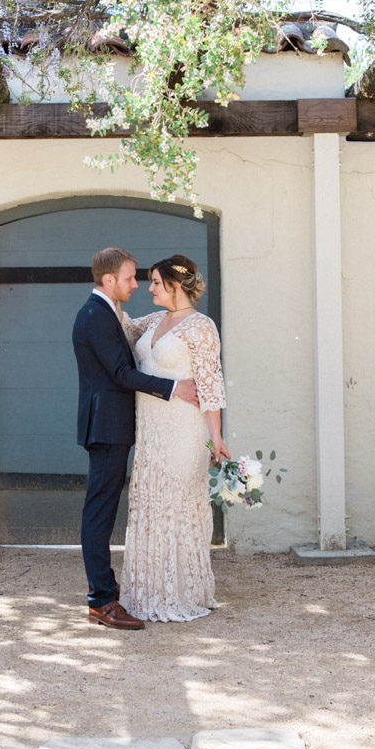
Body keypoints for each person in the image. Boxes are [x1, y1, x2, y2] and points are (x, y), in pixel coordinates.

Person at [72, 247, 199, 631]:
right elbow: (121, 374)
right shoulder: (95, 316)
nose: (136, 283)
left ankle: (104, 597)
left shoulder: (109, 313)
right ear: (109, 280)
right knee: (99, 514)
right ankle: (101, 602)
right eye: (129, 277)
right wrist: (174, 386)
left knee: (102, 511)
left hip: (114, 426)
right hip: (106, 427)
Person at [120, 254, 228, 622]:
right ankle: (150, 591)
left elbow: (211, 386)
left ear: (174, 286)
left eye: (154, 282)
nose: (148, 288)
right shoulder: (155, 320)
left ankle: (181, 593)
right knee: (151, 503)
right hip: (150, 431)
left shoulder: (201, 327)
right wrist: (108, 294)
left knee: (177, 505)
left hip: (183, 429)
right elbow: (126, 327)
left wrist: (216, 438)